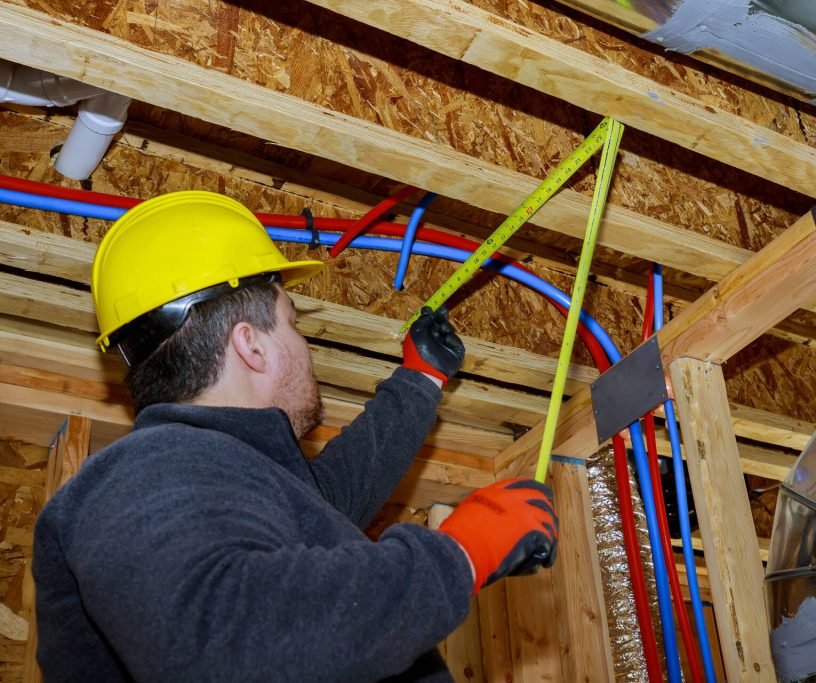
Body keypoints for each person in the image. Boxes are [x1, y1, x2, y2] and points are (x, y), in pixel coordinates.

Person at [31, 191, 559, 682]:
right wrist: (460, 553)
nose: (306, 347)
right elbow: (226, 640)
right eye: (293, 323)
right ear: (251, 347)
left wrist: (420, 381)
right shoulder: (137, 473)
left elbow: (328, 499)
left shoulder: (202, 477)